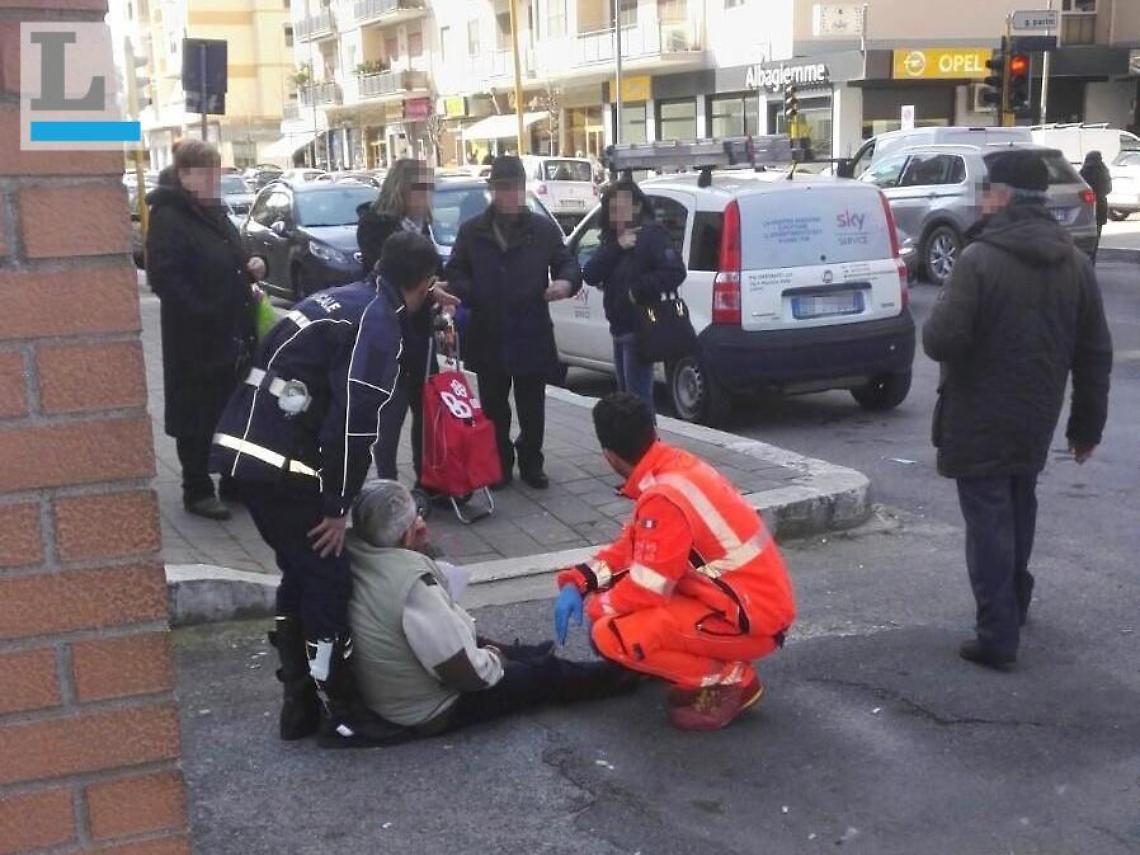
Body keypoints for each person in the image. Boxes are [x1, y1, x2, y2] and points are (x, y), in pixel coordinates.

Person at [210, 231, 452, 747]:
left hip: (245, 448)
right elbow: (353, 423)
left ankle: (299, 705)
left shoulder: (346, 298)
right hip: (279, 464)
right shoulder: (378, 325)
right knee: (328, 576)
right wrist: (338, 505)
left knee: (300, 570)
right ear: (424, 282)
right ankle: (336, 710)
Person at [923, 149, 1113, 670]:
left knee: (988, 518)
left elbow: (942, 341)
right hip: (1037, 413)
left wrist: (945, 305)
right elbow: (1095, 352)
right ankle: (1016, 602)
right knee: (1018, 501)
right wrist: (1085, 426)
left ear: (1001, 195)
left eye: (987, 189)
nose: (982, 198)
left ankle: (997, 633)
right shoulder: (1074, 262)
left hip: (979, 413)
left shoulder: (978, 260)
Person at [552, 393, 796, 731]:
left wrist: (597, 607)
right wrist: (579, 581)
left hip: (752, 619)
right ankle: (680, 662)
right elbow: (631, 550)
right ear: (652, 431)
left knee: (610, 635)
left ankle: (732, 678)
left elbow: (646, 588)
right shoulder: (673, 468)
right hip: (750, 604)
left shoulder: (663, 496)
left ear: (608, 456)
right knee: (621, 613)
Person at [344, 480, 637, 737]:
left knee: (482, 642)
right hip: (430, 709)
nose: (423, 523)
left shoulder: (359, 553)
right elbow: (463, 672)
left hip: (393, 692)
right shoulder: (413, 586)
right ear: (406, 533)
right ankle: (618, 678)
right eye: (416, 518)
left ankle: (525, 654)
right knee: (543, 675)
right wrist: (496, 661)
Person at [439, 155, 581, 490]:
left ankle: (532, 461)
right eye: (503, 189)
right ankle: (499, 463)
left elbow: (567, 263)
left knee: (532, 406)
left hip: (530, 330)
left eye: (515, 188)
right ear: (492, 192)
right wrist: (476, 294)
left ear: (523, 189)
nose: (510, 195)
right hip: (489, 332)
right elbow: (455, 272)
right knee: (493, 407)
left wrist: (565, 283)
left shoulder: (542, 230)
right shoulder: (473, 231)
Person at [146, 139, 261, 521]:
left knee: (233, 409)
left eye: (216, 171)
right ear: (185, 175)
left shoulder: (213, 211)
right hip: (194, 337)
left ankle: (233, 479)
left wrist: (252, 266)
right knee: (196, 416)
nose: (215, 179)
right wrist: (205, 311)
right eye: (206, 172)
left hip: (232, 331)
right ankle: (197, 490)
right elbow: (164, 278)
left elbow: (233, 256)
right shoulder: (169, 216)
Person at [356, 159, 440, 487]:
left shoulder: (424, 225)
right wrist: (432, 286)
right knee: (390, 411)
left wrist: (436, 290)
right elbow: (385, 274)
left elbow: (433, 270)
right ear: (402, 188)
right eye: (421, 188)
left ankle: (427, 480)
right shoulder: (376, 225)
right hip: (389, 328)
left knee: (426, 409)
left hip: (421, 332)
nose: (427, 196)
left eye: (430, 188)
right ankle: (387, 483)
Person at [583, 178, 686, 417]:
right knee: (626, 401)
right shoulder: (612, 239)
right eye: (612, 210)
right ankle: (636, 448)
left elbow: (675, 271)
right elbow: (589, 273)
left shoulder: (651, 235)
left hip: (640, 327)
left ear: (637, 207)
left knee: (637, 403)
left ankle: (647, 449)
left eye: (622, 209)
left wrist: (636, 290)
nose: (617, 216)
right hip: (618, 328)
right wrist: (617, 246)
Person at [1079, 150, 1112, 262]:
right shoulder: (1104, 171)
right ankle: (1092, 260)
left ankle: (1085, 261)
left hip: (1086, 207)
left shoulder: (1084, 171)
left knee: (1085, 236)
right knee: (1096, 235)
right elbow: (1108, 189)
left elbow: (1079, 188)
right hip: (1100, 206)